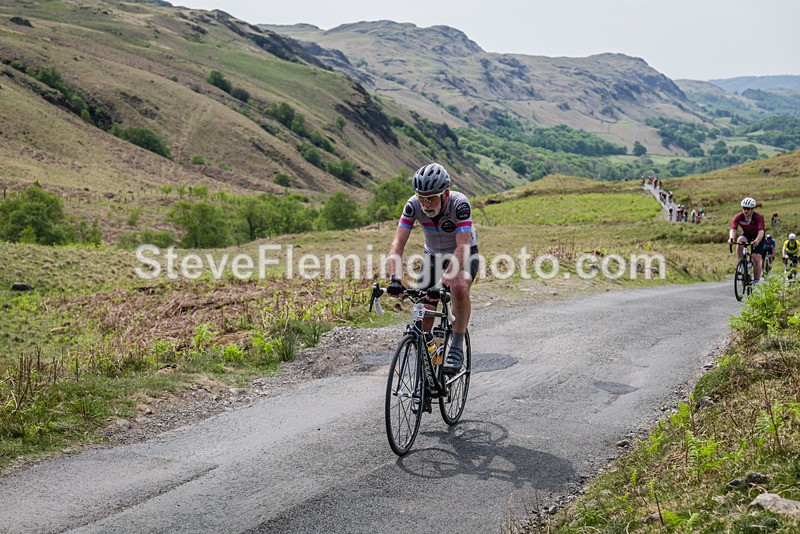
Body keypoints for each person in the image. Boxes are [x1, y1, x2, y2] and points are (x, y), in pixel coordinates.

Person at [386, 163, 479, 375]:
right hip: (433, 256)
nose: (426, 204)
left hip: (463, 252)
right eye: (422, 197)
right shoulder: (413, 205)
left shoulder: (459, 204)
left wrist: (442, 284)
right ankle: (426, 367)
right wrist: (395, 279)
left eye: (432, 197)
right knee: (424, 311)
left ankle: (456, 345)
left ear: (445, 193)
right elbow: (397, 245)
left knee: (458, 286)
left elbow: (463, 245)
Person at [728, 197, 765, 284]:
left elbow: (761, 231)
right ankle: (741, 264)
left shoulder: (758, 217)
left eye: (748, 209)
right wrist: (731, 238)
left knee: (756, 259)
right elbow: (733, 229)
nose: (746, 211)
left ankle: (756, 281)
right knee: (740, 240)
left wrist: (757, 240)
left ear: (752, 209)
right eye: (744, 208)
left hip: (758, 236)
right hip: (747, 235)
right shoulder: (738, 217)